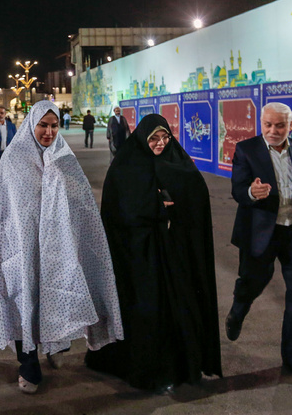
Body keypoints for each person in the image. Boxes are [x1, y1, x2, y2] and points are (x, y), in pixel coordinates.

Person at [0, 100, 123, 394]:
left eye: (54, 126)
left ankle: (54, 343)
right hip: (21, 250)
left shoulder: (64, 159)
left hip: (57, 252)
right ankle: (28, 364)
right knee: (23, 302)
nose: (48, 132)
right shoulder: (13, 159)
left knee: (55, 297)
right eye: (43, 125)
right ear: (32, 124)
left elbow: (82, 208)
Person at [85, 113, 222, 392]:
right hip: (141, 258)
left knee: (176, 309)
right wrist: (160, 205)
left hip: (174, 255)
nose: (160, 144)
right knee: (149, 312)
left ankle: (181, 368)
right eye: (153, 139)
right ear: (142, 139)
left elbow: (196, 197)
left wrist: (177, 204)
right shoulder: (126, 167)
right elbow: (122, 211)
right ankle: (152, 373)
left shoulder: (178, 161)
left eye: (164, 137)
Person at [225, 102, 292, 388]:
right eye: (268, 124)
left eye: (280, 125)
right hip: (260, 233)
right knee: (253, 281)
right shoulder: (247, 150)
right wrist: (251, 192)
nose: (273, 130)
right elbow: (237, 188)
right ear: (261, 122)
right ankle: (239, 307)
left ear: (290, 125)